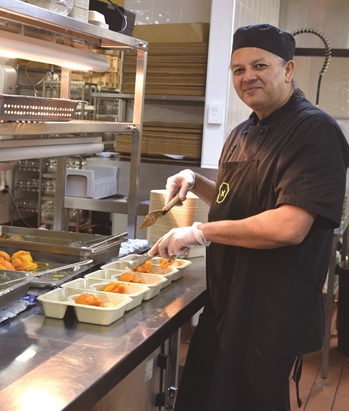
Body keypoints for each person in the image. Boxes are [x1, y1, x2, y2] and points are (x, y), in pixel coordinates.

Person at [148, 23, 349, 411]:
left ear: (288, 70)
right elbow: (236, 198)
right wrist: (195, 180)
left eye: (260, 65)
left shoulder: (314, 131)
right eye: (238, 69)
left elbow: (288, 226)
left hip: (269, 312)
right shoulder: (243, 131)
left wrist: (200, 232)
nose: (247, 77)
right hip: (228, 301)